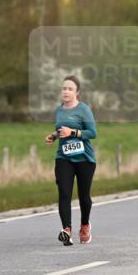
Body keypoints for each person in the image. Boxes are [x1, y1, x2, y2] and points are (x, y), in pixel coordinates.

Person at [45, 76, 97, 245]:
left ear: (77, 92)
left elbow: (92, 133)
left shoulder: (83, 110)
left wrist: (73, 133)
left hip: (84, 158)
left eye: (70, 89)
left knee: (84, 196)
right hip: (64, 157)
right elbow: (61, 130)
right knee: (64, 193)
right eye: (64, 88)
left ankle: (85, 225)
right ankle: (66, 230)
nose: (66, 92)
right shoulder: (59, 110)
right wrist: (53, 136)